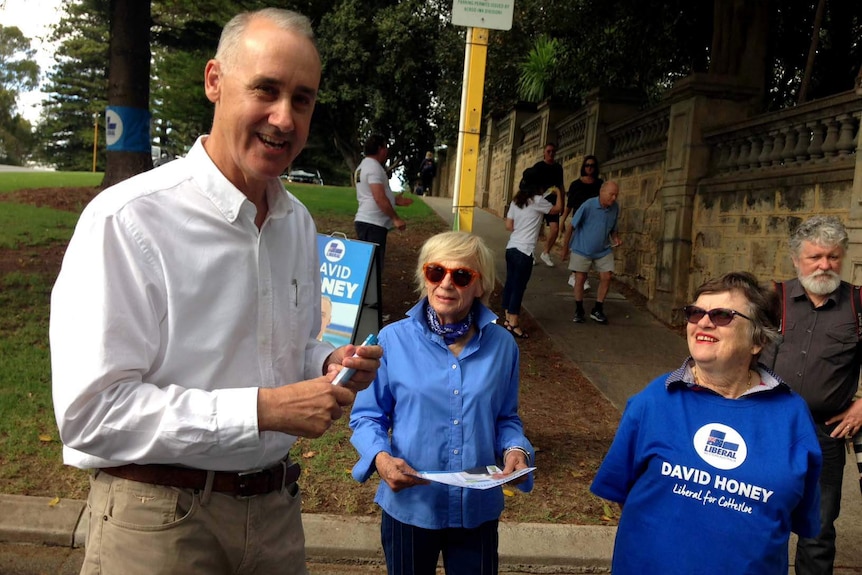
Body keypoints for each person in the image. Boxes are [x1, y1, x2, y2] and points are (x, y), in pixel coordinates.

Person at [50, 9, 382, 575]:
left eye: (302, 99)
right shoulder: (128, 220)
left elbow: (284, 349)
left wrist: (325, 362)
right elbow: (91, 413)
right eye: (266, 90)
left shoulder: (296, 223)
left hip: (276, 516)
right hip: (158, 524)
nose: (283, 118)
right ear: (214, 81)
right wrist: (264, 409)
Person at [591, 271, 822, 575]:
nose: (703, 322)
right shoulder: (653, 402)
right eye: (695, 312)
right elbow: (625, 495)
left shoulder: (792, 415)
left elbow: (795, 517)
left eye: (722, 315)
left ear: (758, 341)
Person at [349, 231, 534, 575]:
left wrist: (515, 451)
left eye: (461, 275)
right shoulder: (393, 340)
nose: (446, 284)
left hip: (475, 510)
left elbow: (506, 417)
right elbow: (367, 417)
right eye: (436, 272)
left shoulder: (503, 346)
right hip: (410, 505)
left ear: (480, 286)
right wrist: (382, 458)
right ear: (425, 277)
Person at [761, 215, 862, 575]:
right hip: (765, 428)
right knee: (755, 515)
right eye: (815, 257)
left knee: (818, 529)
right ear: (795, 259)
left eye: (833, 257)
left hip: (825, 434)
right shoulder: (774, 298)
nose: (824, 265)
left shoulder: (858, 304)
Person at [501, 167, 563, 338]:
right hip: (525, 250)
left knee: (511, 283)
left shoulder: (516, 201)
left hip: (512, 247)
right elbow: (557, 210)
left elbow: (509, 226)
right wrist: (559, 193)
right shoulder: (537, 201)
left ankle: (507, 318)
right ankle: (513, 323)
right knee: (519, 287)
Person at [560, 181, 621, 324]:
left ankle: (598, 309)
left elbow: (614, 228)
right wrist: (565, 249)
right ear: (602, 192)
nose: (614, 198)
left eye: (616, 195)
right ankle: (579, 309)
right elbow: (571, 227)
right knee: (580, 278)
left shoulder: (615, 208)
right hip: (582, 248)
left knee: (607, 276)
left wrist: (616, 238)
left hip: (603, 249)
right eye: (611, 194)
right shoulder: (588, 206)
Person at [355, 134, 413, 272]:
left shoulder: (362, 167)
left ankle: (368, 292)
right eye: (385, 147)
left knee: (368, 264)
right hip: (373, 224)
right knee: (373, 268)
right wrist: (396, 218)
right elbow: (378, 197)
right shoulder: (374, 168)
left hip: (366, 221)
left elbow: (369, 194)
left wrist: (394, 200)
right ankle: (370, 293)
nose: (387, 151)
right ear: (380, 149)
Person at [562, 155, 603, 288]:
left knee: (589, 249)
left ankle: (581, 276)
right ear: (583, 167)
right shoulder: (576, 184)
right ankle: (576, 275)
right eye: (587, 165)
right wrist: (563, 219)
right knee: (578, 248)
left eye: (592, 165)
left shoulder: (599, 184)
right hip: (579, 220)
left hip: (594, 220)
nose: (589, 168)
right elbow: (569, 204)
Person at [532, 142, 565, 267]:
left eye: (553, 151)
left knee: (555, 229)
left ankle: (545, 252)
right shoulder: (538, 167)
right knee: (534, 229)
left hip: (552, 201)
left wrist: (562, 201)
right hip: (539, 200)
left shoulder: (558, 168)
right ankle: (530, 253)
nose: (551, 154)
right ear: (544, 153)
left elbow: (561, 186)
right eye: (548, 151)